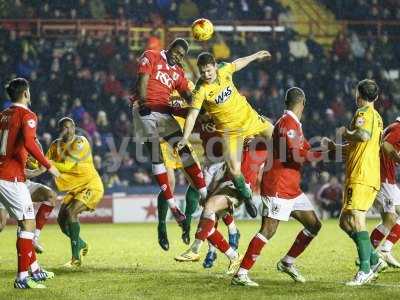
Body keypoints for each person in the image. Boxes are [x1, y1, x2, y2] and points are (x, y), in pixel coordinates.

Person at [232, 87, 323, 287]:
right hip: (277, 186)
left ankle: (287, 262)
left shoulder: (293, 124)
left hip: (291, 187)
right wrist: (321, 155)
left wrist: (328, 151)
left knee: (314, 224)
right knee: (268, 230)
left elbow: (305, 148)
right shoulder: (287, 124)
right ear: (302, 104)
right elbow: (296, 155)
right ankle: (241, 274)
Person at [176, 51, 274, 218]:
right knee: (234, 170)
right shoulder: (201, 90)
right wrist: (185, 137)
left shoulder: (224, 69)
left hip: (250, 118)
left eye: (209, 70)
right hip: (231, 132)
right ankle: (247, 197)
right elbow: (192, 115)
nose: (206, 75)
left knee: (280, 137)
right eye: (203, 72)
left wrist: (255, 56)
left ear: (215, 66)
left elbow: (239, 61)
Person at [132, 38, 207, 227]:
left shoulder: (179, 72)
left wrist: (200, 108)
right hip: (145, 108)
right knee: (156, 152)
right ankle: (173, 207)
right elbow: (143, 79)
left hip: (164, 113)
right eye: (176, 52)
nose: (178, 56)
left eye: (182, 55)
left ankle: (205, 194)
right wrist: (143, 103)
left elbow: (187, 95)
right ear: (170, 48)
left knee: (183, 149)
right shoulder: (152, 56)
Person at [324, 79, 386, 286]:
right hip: (364, 174)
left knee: (358, 218)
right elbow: (358, 147)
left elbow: (362, 135)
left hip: (362, 175)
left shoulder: (363, 114)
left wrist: (345, 132)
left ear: (359, 95)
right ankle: (375, 260)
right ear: (376, 97)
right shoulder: (377, 117)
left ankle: (365, 270)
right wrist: (335, 147)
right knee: (344, 221)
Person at [0, 78, 60, 289]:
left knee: (25, 222)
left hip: (6, 175)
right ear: (25, 93)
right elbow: (28, 141)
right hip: (11, 179)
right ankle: (22, 278)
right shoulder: (27, 115)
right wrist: (48, 165)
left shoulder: (3, 115)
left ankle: (34, 270)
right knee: (27, 224)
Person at [45, 117, 104, 268]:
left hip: (91, 185)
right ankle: (82, 244)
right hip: (74, 188)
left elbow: (67, 166)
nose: (68, 130)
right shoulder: (54, 146)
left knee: (71, 212)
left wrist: (44, 162)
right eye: (64, 128)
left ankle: (75, 258)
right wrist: (30, 160)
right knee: (61, 221)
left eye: (70, 127)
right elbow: (42, 162)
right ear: (60, 130)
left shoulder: (80, 142)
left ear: (74, 127)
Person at [369, 117, 400, 268]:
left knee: (392, 217)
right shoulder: (398, 128)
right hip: (383, 178)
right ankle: (367, 255)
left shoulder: (393, 127)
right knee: (390, 219)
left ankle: (386, 250)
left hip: (389, 177)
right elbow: (385, 145)